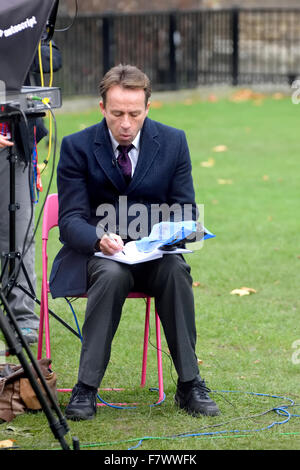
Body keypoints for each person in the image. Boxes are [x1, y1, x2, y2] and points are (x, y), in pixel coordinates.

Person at [50, 64, 220, 420]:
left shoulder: (173, 142)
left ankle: (190, 385)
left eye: (134, 113)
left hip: (155, 256)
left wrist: (165, 237)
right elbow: (69, 221)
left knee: (176, 270)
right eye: (117, 114)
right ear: (102, 109)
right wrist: (100, 239)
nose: (126, 123)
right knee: (112, 276)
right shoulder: (76, 147)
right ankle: (85, 389)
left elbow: (185, 208)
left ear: (147, 108)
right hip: (101, 257)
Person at [0, 37, 62, 345]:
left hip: (15, 145)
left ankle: (22, 319)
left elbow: (52, 60)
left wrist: (22, 34)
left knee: (19, 234)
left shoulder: (21, 14)